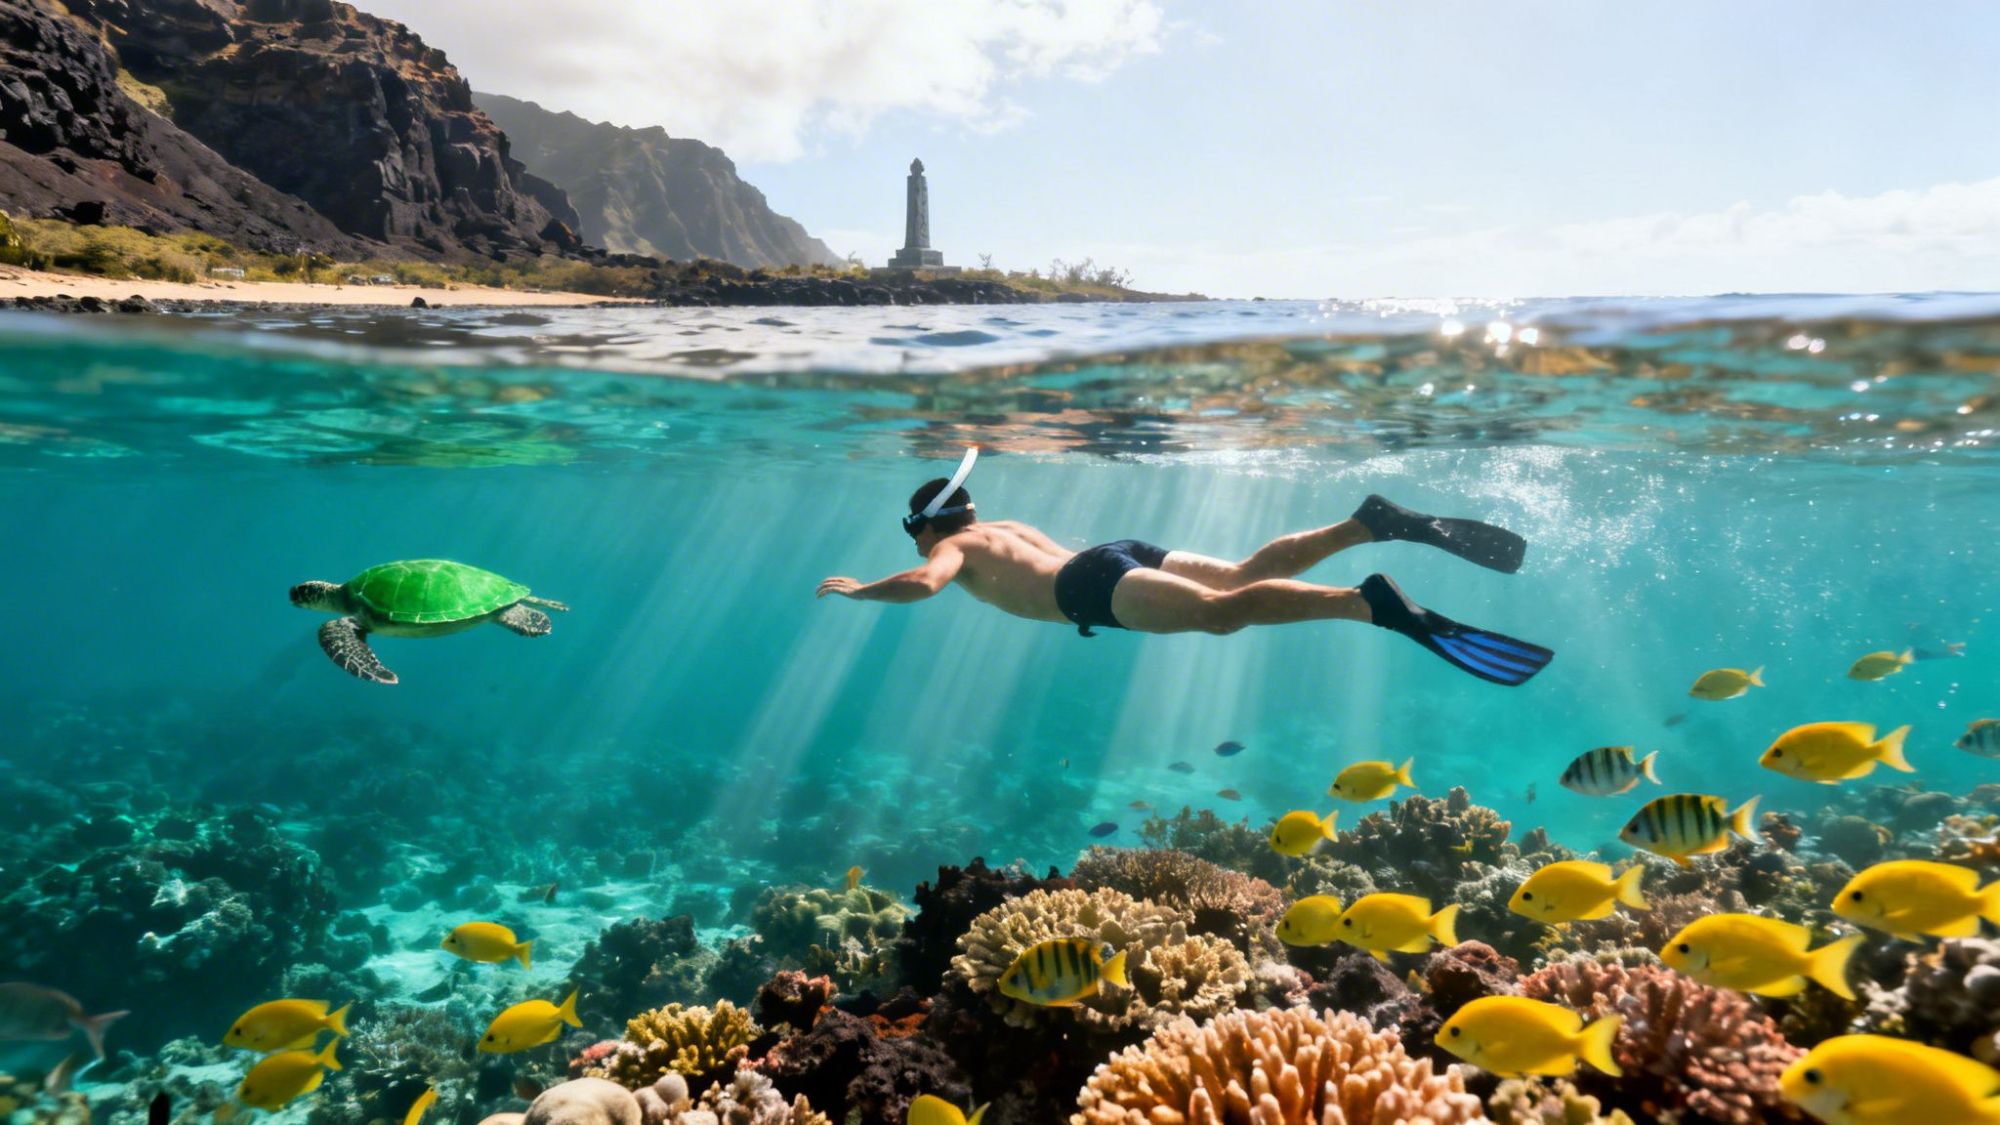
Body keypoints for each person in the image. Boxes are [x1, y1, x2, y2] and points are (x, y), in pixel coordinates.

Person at [815, 450, 1552, 686]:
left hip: (1090, 588)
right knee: (1235, 575)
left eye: (916, 533)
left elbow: (922, 581)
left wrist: (862, 589)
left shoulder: (957, 546)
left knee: (1219, 614)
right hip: (1114, 553)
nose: (920, 545)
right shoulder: (1000, 526)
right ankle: (1369, 522)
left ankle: (1368, 604)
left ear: (928, 524)